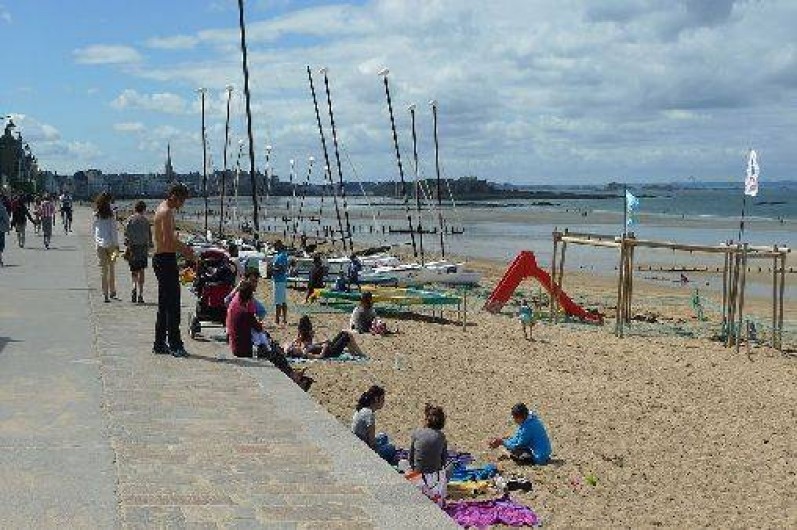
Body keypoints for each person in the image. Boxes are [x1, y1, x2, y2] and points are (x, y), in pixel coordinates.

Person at [152, 183, 196, 357]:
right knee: (172, 305)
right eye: (182, 200)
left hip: (161, 258)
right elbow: (170, 241)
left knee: (164, 305)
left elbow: (166, 240)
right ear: (174, 196)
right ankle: (175, 344)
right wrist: (188, 252)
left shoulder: (161, 208)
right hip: (165, 259)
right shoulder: (166, 212)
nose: (182, 204)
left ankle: (160, 343)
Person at [286, 314, 365, 359]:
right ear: (295, 353)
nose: (294, 347)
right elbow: (320, 356)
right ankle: (360, 354)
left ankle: (354, 353)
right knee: (347, 335)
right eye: (294, 349)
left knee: (343, 332)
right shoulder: (304, 353)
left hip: (329, 347)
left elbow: (286, 347)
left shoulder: (301, 346)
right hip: (332, 352)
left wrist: (323, 342)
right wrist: (324, 347)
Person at [352, 385, 394, 461]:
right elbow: (372, 444)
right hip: (365, 450)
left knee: (383, 436)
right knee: (391, 448)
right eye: (382, 399)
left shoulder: (362, 408)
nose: (383, 402)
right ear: (376, 399)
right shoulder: (369, 414)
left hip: (359, 441)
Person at [92, 192, 120, 303]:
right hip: (112, 245)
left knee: (103, 270)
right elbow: (114, 231)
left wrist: (96, 240)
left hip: (99, 245)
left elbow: (94, 230)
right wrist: (117, 245)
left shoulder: (95, 214)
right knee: (112, 267)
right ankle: (113, 290)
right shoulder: (111, 215)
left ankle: (105, 294)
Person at [124, 201, 152, 304]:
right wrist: (150, 246)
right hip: (143, 248)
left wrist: (127, 244)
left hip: (133, 248)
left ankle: (133, 287)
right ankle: (140, 294)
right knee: (141, 271)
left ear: (135, 209)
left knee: (134, 271)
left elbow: (126, 235)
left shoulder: (130, 219)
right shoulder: (145, 220)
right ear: (144, 209)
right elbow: (149, 237)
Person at [409, 404, 449, 474]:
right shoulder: (442, 436)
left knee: (402, 463)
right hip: (435, 479)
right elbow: (443, 461)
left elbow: (411, 458)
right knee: (451, 466)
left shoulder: (417, 433)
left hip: (417, 477)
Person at [271, 240, 289, 325]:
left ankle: (277, 319)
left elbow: (283, 268)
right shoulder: (277, 255)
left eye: (275, 245)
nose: (274, 246)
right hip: (278, 280)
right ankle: (284, 318)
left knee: (278, 301)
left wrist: (273, 269)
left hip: (279, 280)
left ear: (279, 245)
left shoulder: (282, 255)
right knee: (282, 300)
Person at [0, 197, 9, 266]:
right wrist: (7, 227)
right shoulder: (2, 207)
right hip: (1, 228)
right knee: (1, 244)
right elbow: (6, 218)